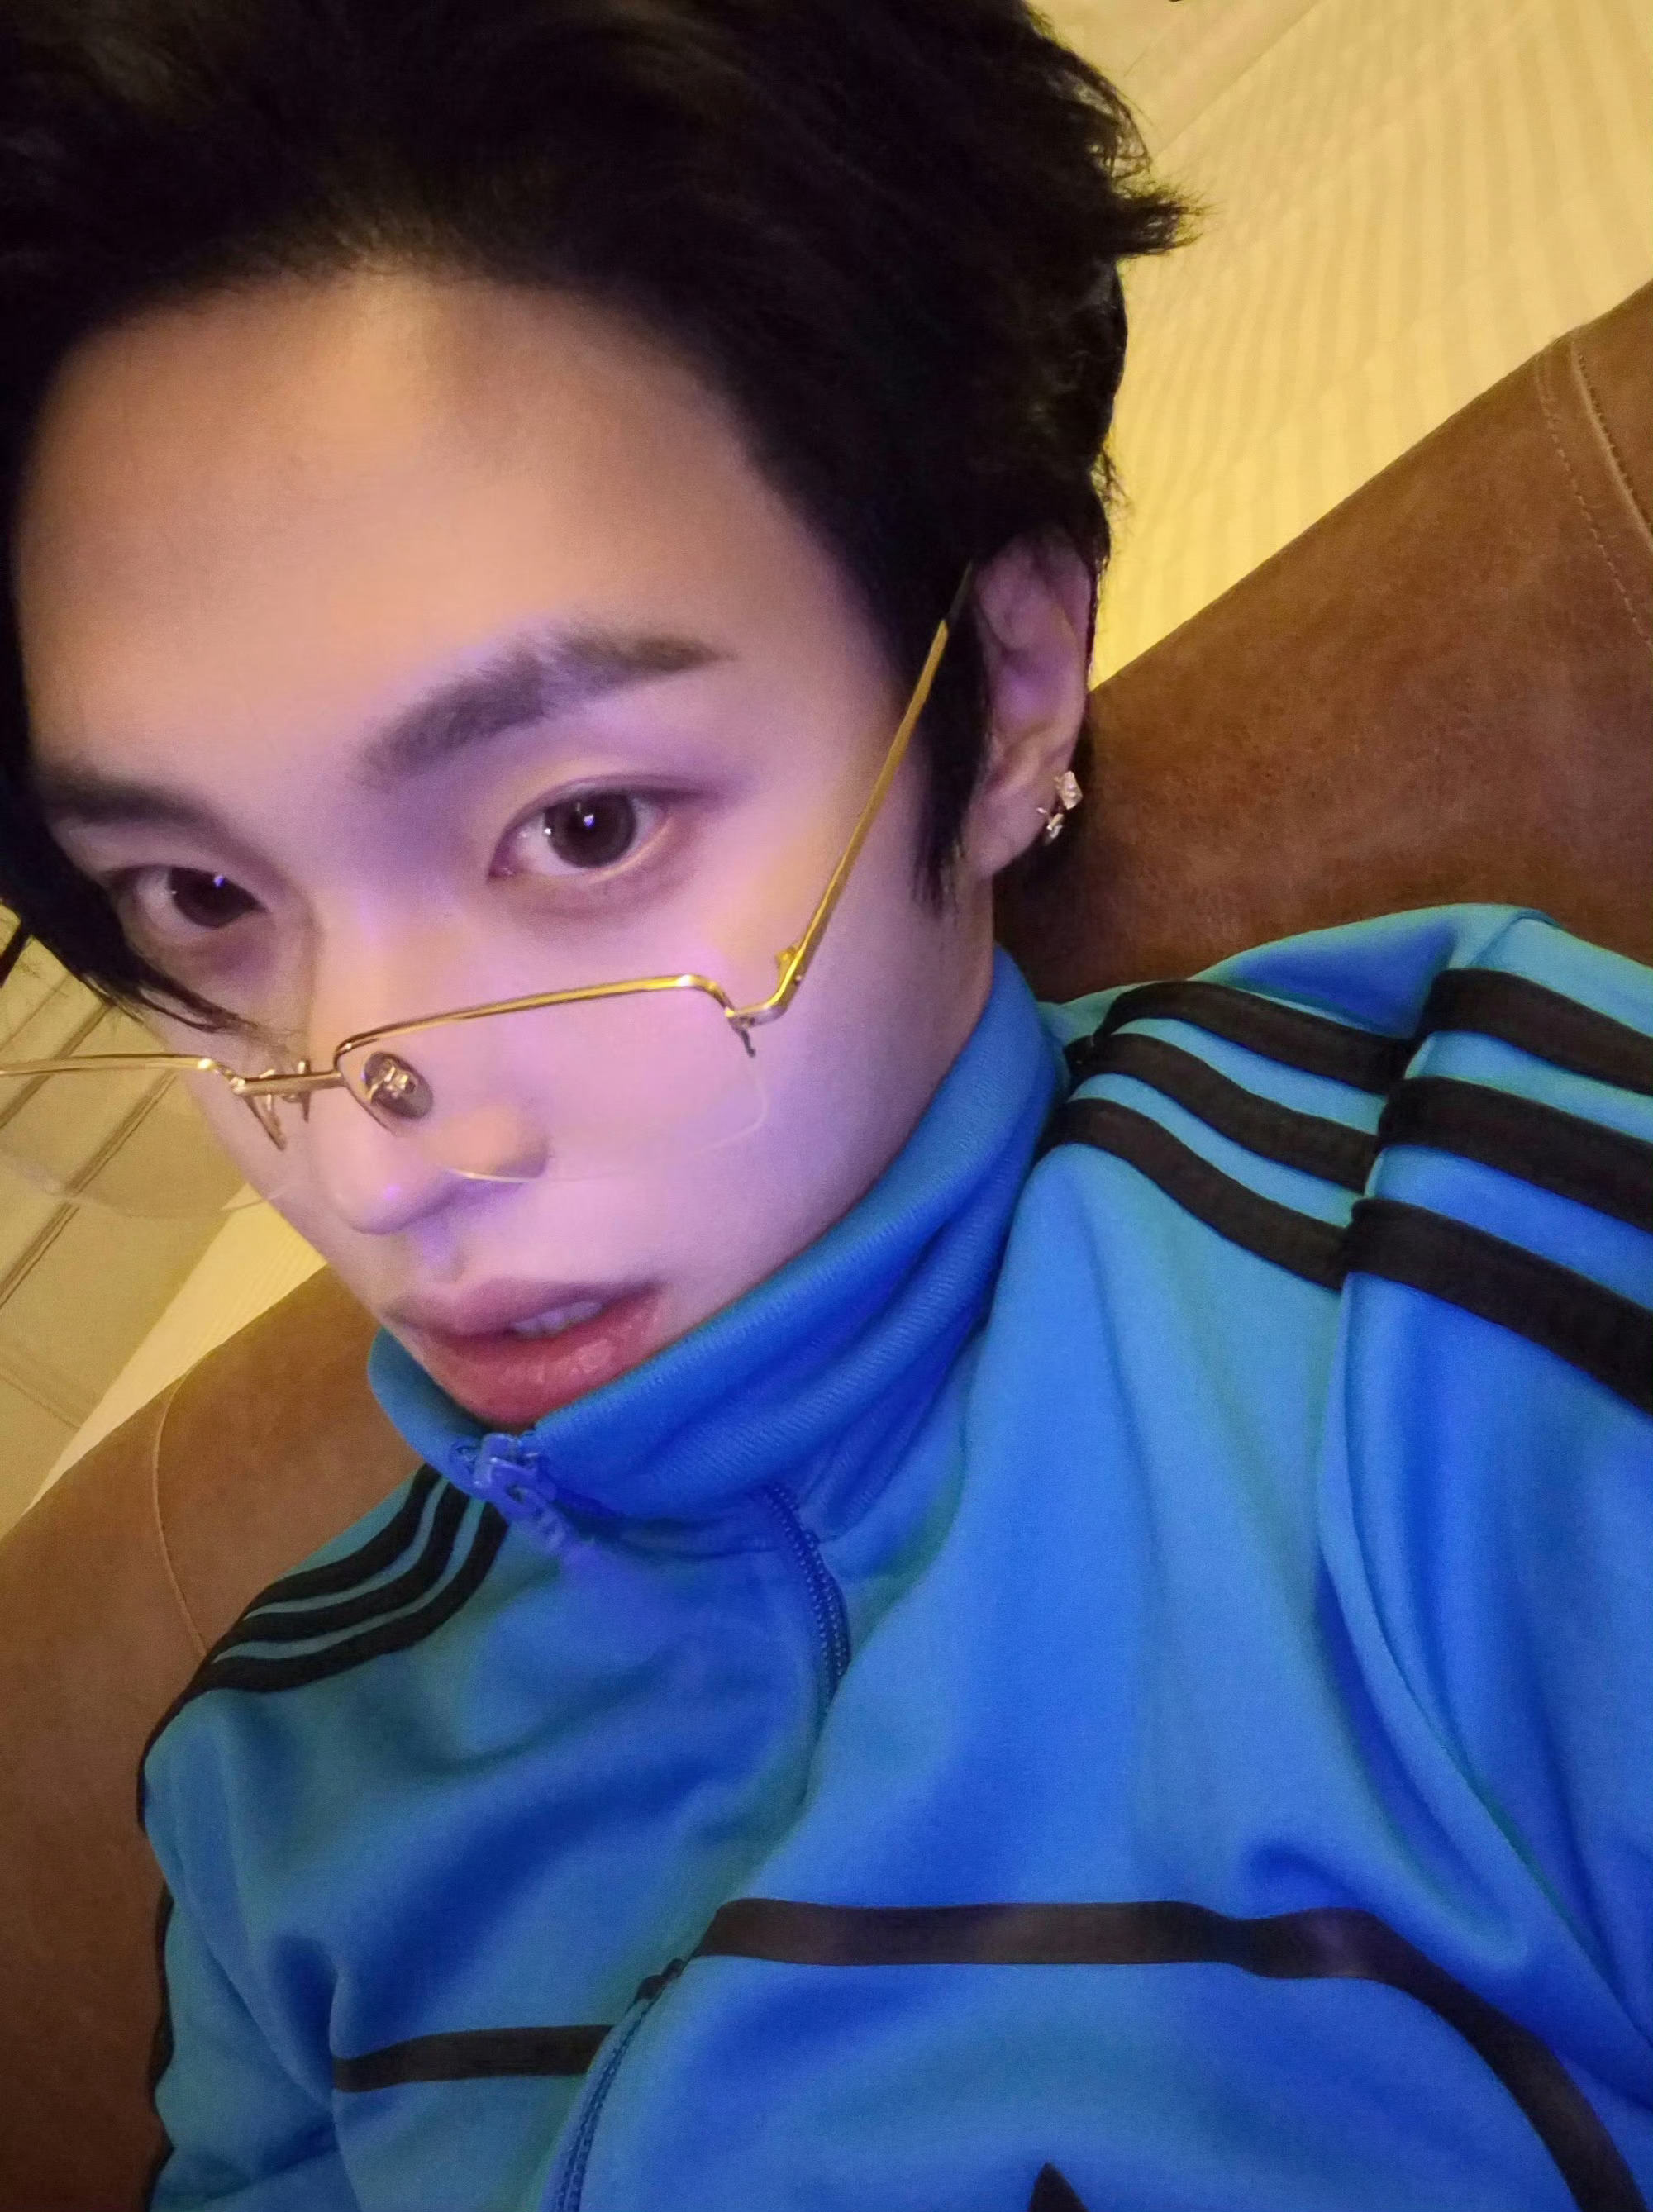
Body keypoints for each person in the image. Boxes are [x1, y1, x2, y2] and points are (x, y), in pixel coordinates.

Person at [0, 2, 1647, 2206]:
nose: (376, 1162)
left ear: (1010, 687)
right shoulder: (267, 1779)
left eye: (584, 828)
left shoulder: (1475, 1290)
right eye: (203, 898)